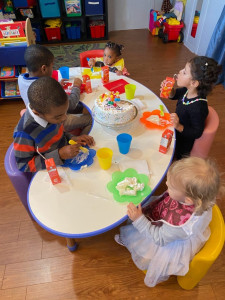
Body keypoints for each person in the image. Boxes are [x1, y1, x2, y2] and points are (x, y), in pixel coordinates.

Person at [114, 157, 224, 287]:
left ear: (188, 200)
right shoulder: (202, 196)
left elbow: (158, 238)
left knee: (143, 245)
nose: (166, 184)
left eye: (171, 186)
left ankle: (139, 249)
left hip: (165, 240)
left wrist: (139, 220)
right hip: (170, 228)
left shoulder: (179, 225)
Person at [13, 77, 95, 172]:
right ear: (37, 113)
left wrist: (73, 138)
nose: (64, 118)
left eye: (65, 112)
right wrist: (59, 154)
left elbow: (59, 134)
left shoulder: (52, 114)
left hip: (64, 154)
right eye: (58, 116)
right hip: (50, 168)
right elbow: (24, 166)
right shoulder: (24, 132)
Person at [18, 44, 92, 135]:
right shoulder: (43, 88)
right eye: (52, 67)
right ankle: (81, 144)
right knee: (90, 119)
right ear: (44, 68)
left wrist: (56, 86)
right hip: (54, 122)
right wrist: (76, 86)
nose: (53, 70)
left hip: (43, 114)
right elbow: (71, 104)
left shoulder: (21, 78)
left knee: (80, 107)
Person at [163, 56, 222, 159]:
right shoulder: (187, 90)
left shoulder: (198, 108)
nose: (180, 71)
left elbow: (197, 132)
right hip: (176, 132)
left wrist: (179, 126)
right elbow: (176, 95)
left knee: (178, 159)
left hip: (184, 143)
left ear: (194, 83)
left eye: (185, 72)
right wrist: (170, 91)